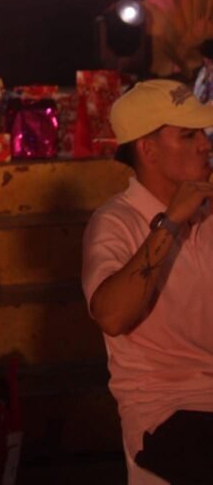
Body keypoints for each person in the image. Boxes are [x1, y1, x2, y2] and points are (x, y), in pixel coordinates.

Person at [81, 79, 213, 484]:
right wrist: (171, 222)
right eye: (188, 135)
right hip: (167, 412)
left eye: (203, 133)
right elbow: (112, 316)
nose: (205, 145)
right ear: (148, 150)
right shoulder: (115, 222)